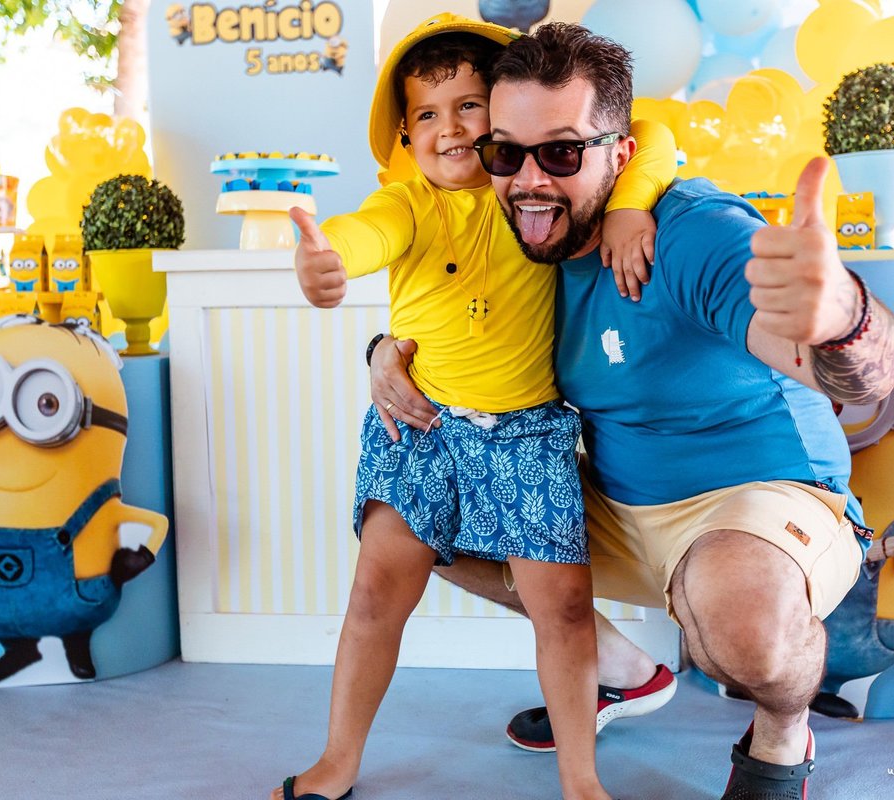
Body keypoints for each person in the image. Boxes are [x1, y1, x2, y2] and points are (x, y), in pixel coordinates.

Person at [370, 22, 894, 800]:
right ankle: (620, 671)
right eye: (506, 152)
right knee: (420, 513)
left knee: (743, 632)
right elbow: (451, 319)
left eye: (560, 152)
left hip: (756, 498)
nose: (529, 180)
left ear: (619, 157)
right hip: (616, 504)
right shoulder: (528, 240)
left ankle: (784, 729)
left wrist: (842, 318)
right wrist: (384, 349)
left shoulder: (690, 236)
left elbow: (855, 375)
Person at [276, 14, 678, 800]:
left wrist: (630, 204)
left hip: (527, 435)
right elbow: (362, 235)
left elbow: (653, 133)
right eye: (427, 113)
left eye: (469, 106)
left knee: (560, 610)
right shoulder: (408, 205)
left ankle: (579, 776)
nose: (451, 127)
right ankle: (339, 761)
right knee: (373, 597)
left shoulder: (523, 190)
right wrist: (324, 261)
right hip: (418, 431)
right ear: (402, 133)